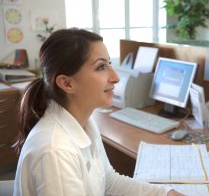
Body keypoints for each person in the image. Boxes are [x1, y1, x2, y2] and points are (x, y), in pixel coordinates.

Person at [14, 28, 184, 196]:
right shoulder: (55, 151)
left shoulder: (84, 122)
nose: (115, 77)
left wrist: (164, 193)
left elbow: (108, 182)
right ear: (67, 83)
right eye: (101, 67)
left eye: (109, 63)